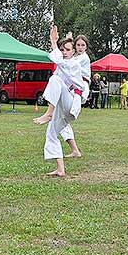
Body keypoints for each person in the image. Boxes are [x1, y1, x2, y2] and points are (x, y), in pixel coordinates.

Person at [33, 25, 84, 177]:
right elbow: (59, 62)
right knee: (51, 133)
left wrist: (53, 42)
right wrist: (57, 42)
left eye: (68, 49)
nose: (64, 52)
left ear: (73, 51)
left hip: (71, 103)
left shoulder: (74, 63)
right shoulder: (61, 65)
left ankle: (49, 113)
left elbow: (61, 62)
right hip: (63, 107)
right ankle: (60, 169)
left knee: (55, 79)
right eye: (62, 50)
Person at [59, 34, 91, 158]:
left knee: (65, 115)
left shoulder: (83, 58)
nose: (80, 47)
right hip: (72, 87)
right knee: (61, 120)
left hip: (81, 87)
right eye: (78, 45)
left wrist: (68, 45)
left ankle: (74, 111)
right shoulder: (74, 56)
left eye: (83, 45)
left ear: (86, 47)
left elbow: (69, 63)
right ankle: (75, 150)